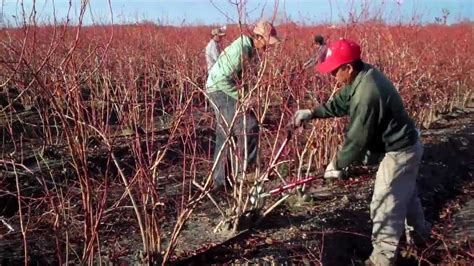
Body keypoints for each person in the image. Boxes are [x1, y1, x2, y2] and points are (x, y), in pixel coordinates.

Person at [293, 38, 430, 265]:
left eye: (335, 71)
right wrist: (312, 112)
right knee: (406, 195)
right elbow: (342, 102)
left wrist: (337, 165)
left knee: (384, 204)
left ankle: (381, 260)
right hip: (405, 146)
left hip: (400, 152)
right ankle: (421, 237)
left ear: (348, 67)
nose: (332, 76)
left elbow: (357, 140)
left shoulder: (368, 93)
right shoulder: (363, 75)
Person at [206, 21, 280, 190]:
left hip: (218, 88)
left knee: (226, 134)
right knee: (250, 125)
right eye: (267, 43)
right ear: (258, 37)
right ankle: (246, 171)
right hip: (219, 89)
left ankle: (221, 182)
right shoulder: (241, 49)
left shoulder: (248, 48)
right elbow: (223, 78)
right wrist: (242, 97)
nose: (267, 48)